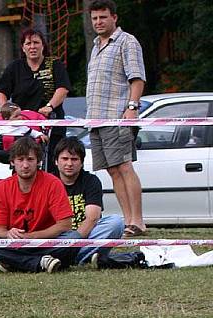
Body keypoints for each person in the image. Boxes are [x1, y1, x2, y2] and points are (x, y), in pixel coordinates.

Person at [0, 137, 80, 273]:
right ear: (12, 162)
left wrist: (32, 237)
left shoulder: (53, 183)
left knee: (74, 238)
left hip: (44, 242)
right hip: (13, 243)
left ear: (38, 162)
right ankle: (38, 262)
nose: (25, 165)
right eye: (20, 159)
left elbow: (65, 225)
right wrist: (8, 234)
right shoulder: (2, 187)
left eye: (30, 159)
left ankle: (12, 261)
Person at [86, 0, 146, 237]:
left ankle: (138, 221)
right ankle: (128, 221)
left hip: (117, 116)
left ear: (114, 18)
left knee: (124, 166)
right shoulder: (95, 45)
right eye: (94, 18)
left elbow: (137, 78)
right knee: (112, 170)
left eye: (103, 17)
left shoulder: (126, 41)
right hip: (96, 118)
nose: (98, 22)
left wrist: (132, 107)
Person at [0, 28, 70, 173]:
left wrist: (49, 106)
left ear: (43, 46)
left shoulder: (54, 64)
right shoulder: (15, 67)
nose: (32, 47)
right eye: (28, 43)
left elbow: (63, 88)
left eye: (36, 42)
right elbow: (0, 92)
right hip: (21, 128)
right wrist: (6, 110)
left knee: (52, 166)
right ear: (23, 47)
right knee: (24, 165)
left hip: (51, 126)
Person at [54, 136, 125, 266]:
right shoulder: (48, 182)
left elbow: (92, 219)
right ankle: (84, 256)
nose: (69, 164)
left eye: (74, 159)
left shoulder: (91, 181)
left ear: (81, 163)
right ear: (56, 161)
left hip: (85, 236)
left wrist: (73, 242)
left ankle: (68, 257)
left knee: (116, 222)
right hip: (57, 236)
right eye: (65, 159)